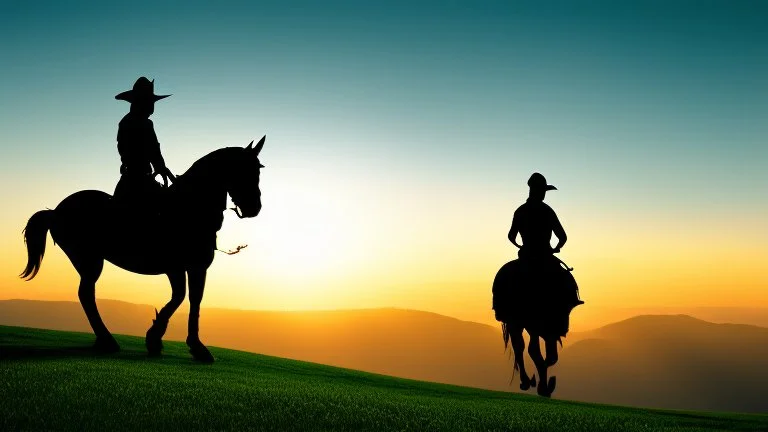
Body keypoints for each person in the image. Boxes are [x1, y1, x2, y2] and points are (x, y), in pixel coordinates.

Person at [113, 77, 175, 213]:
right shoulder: (145, 123)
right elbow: (153, 149)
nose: (152, 106)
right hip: (140, 178)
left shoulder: (125, 122)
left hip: (131, 176)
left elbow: (124, 148)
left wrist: (160, 168)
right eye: (149, 102)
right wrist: (160, 167)